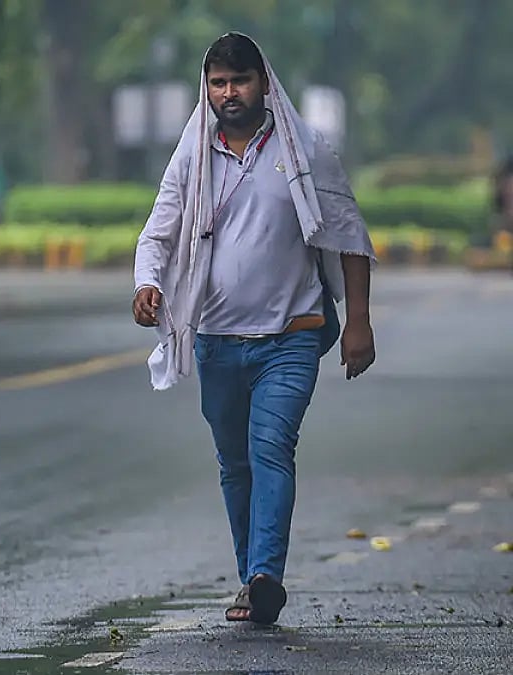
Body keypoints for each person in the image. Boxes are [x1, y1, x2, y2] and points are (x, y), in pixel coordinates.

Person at [131, 33, 377, 625]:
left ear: (264, 82)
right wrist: (147, 283)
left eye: (239, 81)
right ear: (207, 88)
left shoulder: (304, 150)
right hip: (216, 339)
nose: (229, 92)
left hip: (291, 334)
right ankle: (253, 580)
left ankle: (266, 572)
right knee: (234, 462)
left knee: (271, 447)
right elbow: (158, 232)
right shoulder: (192, 154)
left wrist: (360, 325)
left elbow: (349, 236)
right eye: (218, 82)